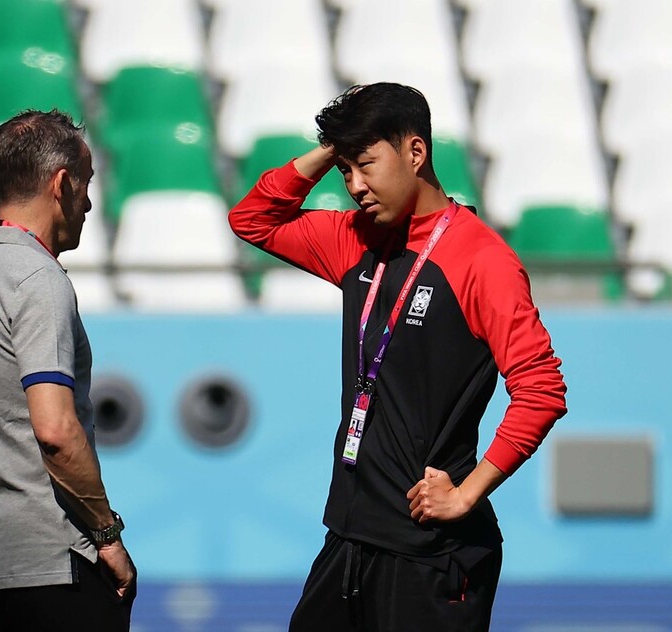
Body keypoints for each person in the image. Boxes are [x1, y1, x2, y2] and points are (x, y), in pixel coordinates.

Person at [229, 83, 567, 631]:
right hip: (349, 537)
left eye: (366, 164)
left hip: (431, 553)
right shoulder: (355, 238)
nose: (355, 187)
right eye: (344, 171)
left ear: (416, 153)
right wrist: (330, 148)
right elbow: (253, 220)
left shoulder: (483, 260)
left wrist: (465, 494)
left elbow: (542, 390)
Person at [0, 109, 135, 632]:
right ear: (62, 183)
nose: (89, 202)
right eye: (86, 183)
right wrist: (107, 537)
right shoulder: (37, 279)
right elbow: (56, 431)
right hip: (57, 568)